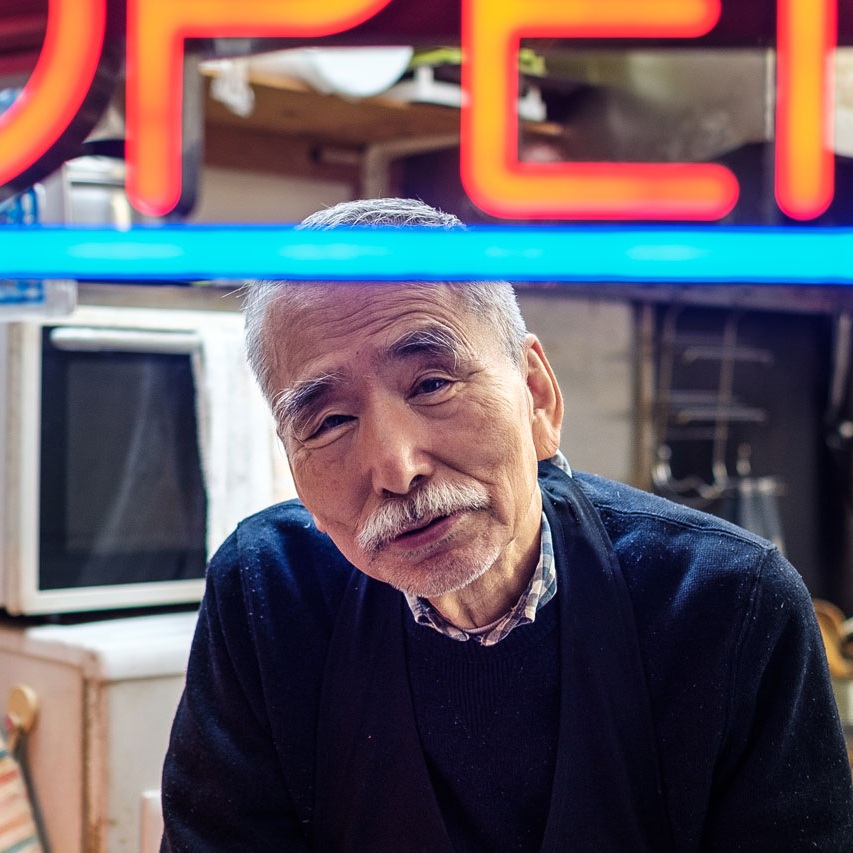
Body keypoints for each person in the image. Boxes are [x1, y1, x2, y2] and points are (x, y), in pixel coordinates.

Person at [160, 198, 853, 852]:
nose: (396, 467)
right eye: (330, 420)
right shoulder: (266, 593)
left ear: (537, 394)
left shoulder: (728, 604)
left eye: (431, 383)